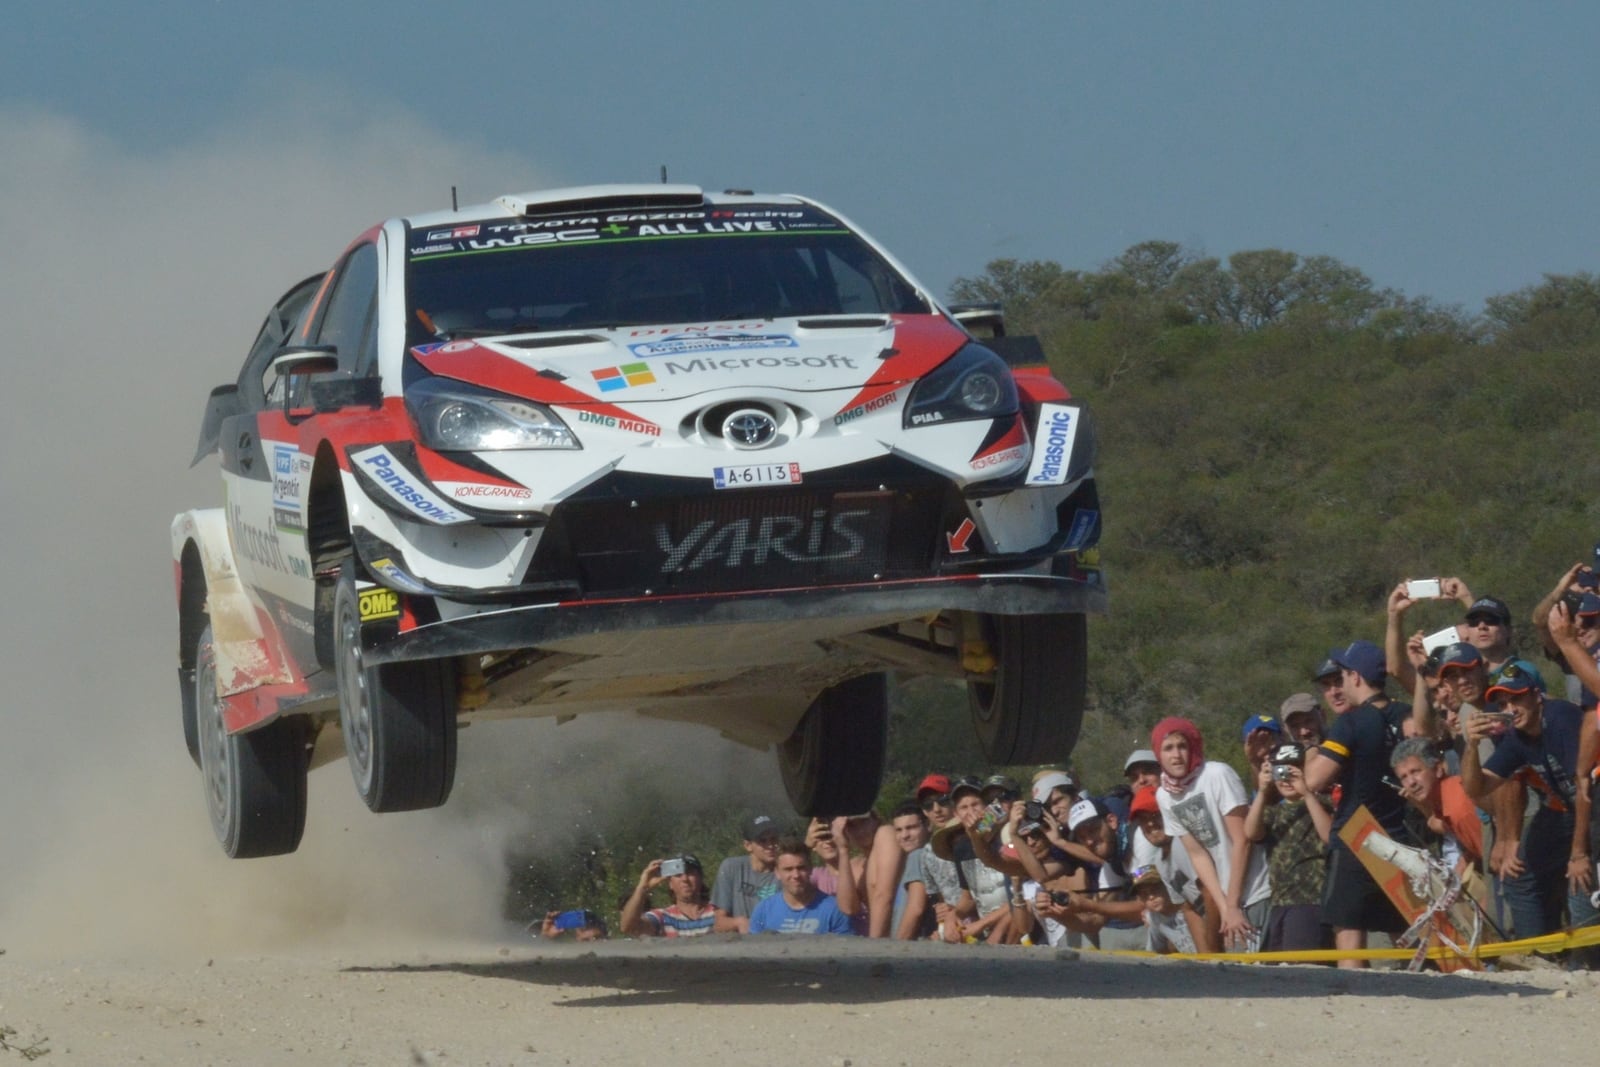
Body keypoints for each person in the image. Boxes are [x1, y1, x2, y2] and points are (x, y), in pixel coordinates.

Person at [1460, 661, 1598, 945]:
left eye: (1517, 697)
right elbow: (1477, 786)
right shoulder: (1517, 737)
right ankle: (1537, 957)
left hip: (1594, 807)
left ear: (1537, 696)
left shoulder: (1561, 719)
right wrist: (1472, 746)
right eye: (1503, 701)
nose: (1510, 707)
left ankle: (1586, 963)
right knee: (1518, 875)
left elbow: (1584, 789)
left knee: (1580, 888)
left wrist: (1579, 854)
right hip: (1567, 810)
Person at [1303, 640, 1421, 968]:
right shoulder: (1404, 715)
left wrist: (1312, 752)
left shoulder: (1352, 722)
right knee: (1402, 928)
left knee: (1349, 927)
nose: (1339, 682)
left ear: (1356, 677)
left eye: (1342, 674)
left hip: (1356, 837)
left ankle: (1353, 999)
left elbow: (1315, 779)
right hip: (1398, 836)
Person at [1152, 716, 1270, 952]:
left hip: (1254, 890)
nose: (1176, 755)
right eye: (1168, 748)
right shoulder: (1164, 796)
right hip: (1227, 898)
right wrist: (1224, 907)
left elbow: (1242, 840)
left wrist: (1233, 904)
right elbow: (1198, 855)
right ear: (1158, 754)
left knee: (1261, 972)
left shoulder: (1217, 775)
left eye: (1182, 746)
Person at [1244, 741, 1332, 953]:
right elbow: (1250, 832)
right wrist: (1263, 791)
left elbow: (1330, 836)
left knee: (1300, 966)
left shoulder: (1322, 803)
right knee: (1281, 970)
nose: (1286, 777)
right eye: (1280, 769)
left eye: (1293, 768)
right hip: (1279, 902)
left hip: (1310, 900)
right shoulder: (1273, 811)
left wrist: (1307, 793)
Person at [747, 837, 857, 935]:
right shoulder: (764, 910)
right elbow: (754, 951)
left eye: (801, 868)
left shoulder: (834, 909)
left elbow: (845, 952)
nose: (796, 875)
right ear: (777, 873)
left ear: (810, 869)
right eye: (788, 869)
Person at [620, 854, 720, 938]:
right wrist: (642, 887)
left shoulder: (718, 913)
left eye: (690, 873)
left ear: (700, 878)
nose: (684, 879)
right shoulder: (662, 917)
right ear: (670, 883)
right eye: (678, 875)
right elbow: (628, 927)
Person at [711, 814, 782, 932]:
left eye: (774, 839)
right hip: (740, 942)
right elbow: (718, 922)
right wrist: (739, 922)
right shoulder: (731, 868)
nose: (770, 845)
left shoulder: (786, 871)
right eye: (762, 841)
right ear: (748, 845)